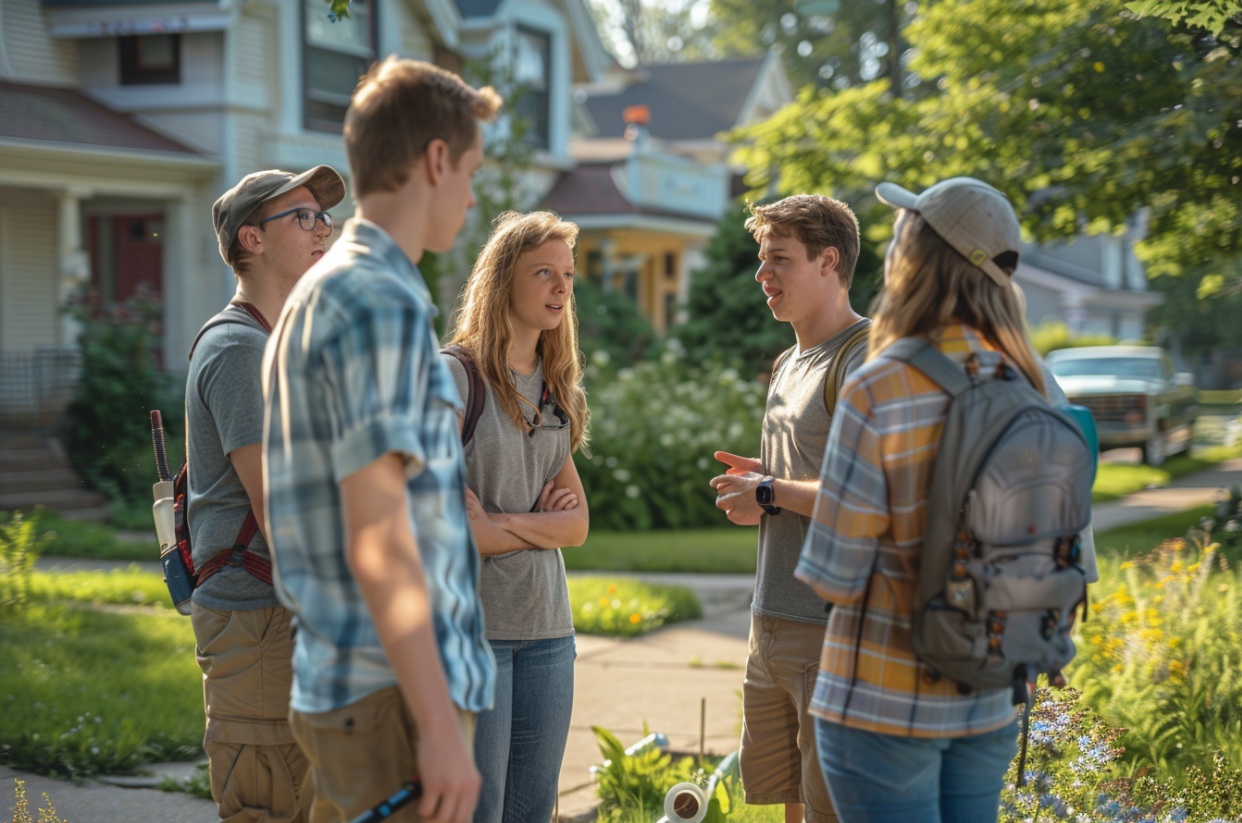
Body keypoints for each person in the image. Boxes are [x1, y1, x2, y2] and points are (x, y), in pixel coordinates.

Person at [262, 57, 500, 823]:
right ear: (436, 160)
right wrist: (437, 723)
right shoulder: (381, 301)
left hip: (351, 686)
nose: (471, 195)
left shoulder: (320, 293)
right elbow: (380, 536)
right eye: (469, 170)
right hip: (391, 700)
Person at [794, 177, 1052, 822]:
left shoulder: (882, 383)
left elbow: (836, 572)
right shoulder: (1030, 381)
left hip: (880, 700)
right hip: (989, 693)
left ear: (918, 256)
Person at [187, 163, 344, 822]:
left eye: (324, 215)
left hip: (289, 612)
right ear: (251, 239)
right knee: (273, 798)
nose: (324, 229)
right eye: (303, 216)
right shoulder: (240, 350)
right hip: (260, 619)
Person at [710, 195, 869, 823]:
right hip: (769, 620)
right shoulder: (787, 362)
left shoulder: (862, 359)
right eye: (760, 258)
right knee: (789, 803)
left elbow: (867, 498)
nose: (761, 275)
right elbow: (806, 481)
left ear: (828, 261)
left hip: (830, 629)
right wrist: (763, 488)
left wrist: (771, 493)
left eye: (779, 259)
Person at [440, 210, 591, 823]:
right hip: (475, 635)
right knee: (480, 810)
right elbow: (451, 528)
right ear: (504, 280)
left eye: (568, 276)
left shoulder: (558, 391)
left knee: (531, 811)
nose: (561, 288)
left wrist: (497, 527)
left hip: (550, 633)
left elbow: (576, 527)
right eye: (544, 274)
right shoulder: (454, 378)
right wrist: (534, 525)